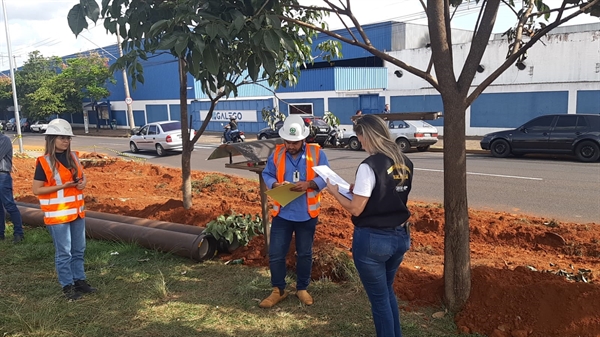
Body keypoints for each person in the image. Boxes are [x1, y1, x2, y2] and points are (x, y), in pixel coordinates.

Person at [325, 115, 413, 337]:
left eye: (359, 137)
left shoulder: (370, 165)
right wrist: (364, 191)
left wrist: (335, 192)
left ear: (367, 135)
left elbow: (356, 209)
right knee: (386, 292)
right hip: (400, 236)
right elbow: (391, 194)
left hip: (374, 240)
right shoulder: (404, 161)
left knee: (380, 300)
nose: (359, 142)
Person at [259, 114, 329, 308]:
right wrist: (275, 184)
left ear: (303, 139)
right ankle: (278, 290)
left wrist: (309, 184)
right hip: (283, 212)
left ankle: (302, 288)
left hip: (307, 214)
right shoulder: (277, 153)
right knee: (276, 253)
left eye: (295, 142)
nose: (290, 146)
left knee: (305, 253)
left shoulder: (317, 153)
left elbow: (326, 177)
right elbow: (267, 173)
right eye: (288, 142)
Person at [32, 119, 97, 301]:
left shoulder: (74, 157)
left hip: (76, 212)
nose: (66, 141)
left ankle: (80, 281)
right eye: (62, 138)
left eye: (68, 138)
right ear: (52, 139)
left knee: (78, 250)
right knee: (64, 253)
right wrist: (62, 187)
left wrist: (83, 183)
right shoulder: (44, 162)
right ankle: (67, 287)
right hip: (58, 215)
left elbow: (82, 179)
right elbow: (37, 189)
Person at [0, 132, 25, 243]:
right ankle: (1, 234)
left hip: (3, 176)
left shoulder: (4, 139)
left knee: (9, 205)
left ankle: (18, 234)